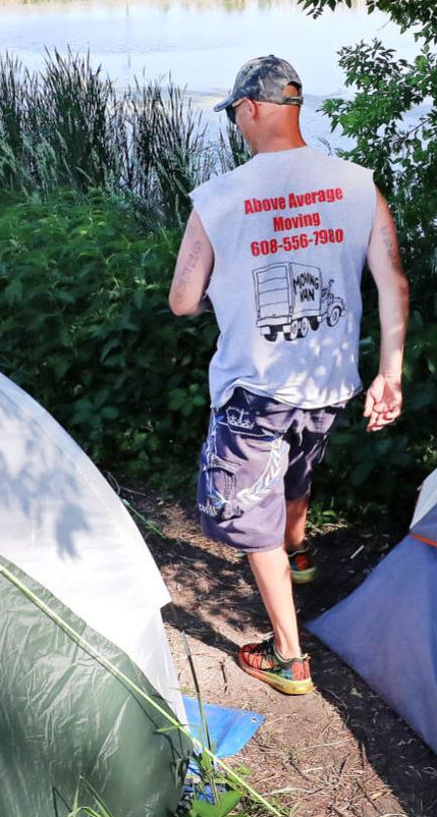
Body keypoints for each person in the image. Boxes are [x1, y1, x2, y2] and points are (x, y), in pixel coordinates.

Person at [169, 55, 409, 696]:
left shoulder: (220, 196)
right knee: (297, 469)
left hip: (257, 388)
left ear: (251, 108)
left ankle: (288, 657)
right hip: (329, 380)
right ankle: (300, 554)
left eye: (237, 116)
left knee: (250, 516)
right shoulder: (358, 184)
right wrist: (391, 374)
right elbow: (392, 282)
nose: (237, 128)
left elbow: (183, 300)